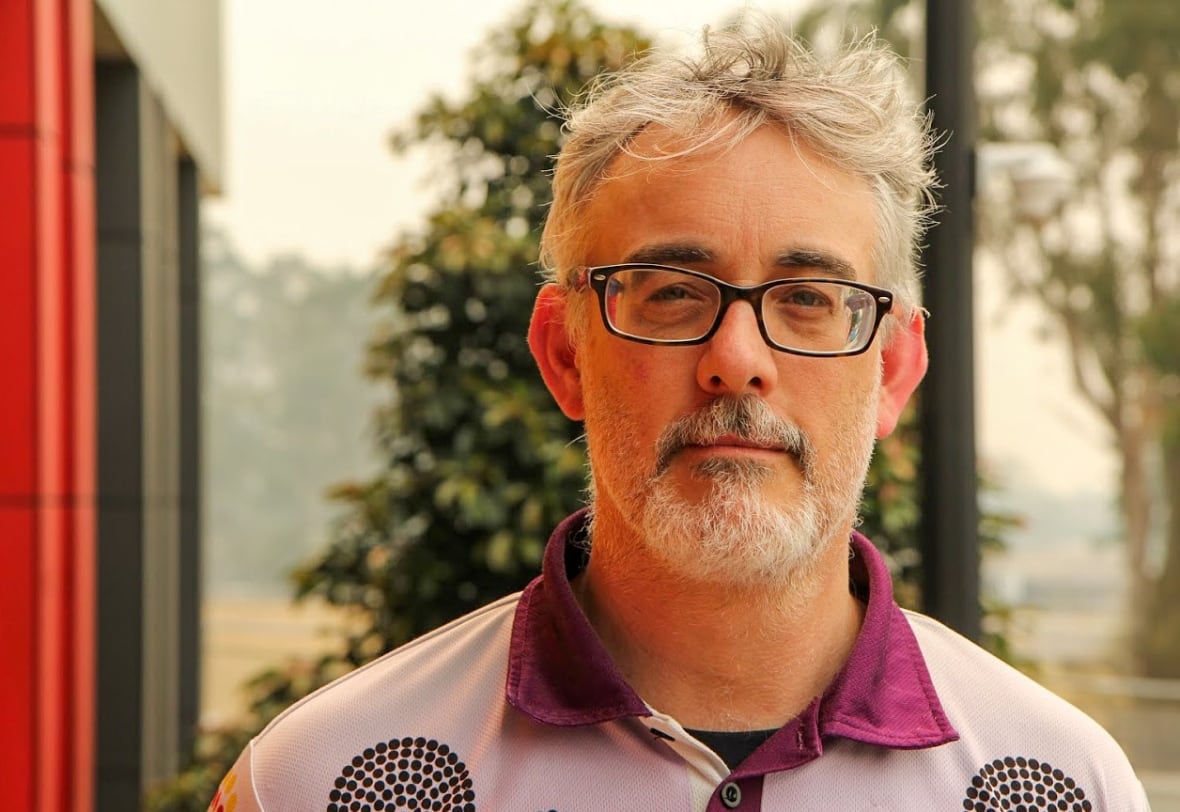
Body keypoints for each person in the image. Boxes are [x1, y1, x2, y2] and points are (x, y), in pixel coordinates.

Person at [210, 19, 1149, 812]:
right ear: (564, 353)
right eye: (670, 294)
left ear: (894, 368)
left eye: (809, 299)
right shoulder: (328, 780)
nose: (737, 362)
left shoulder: (1062, 785)